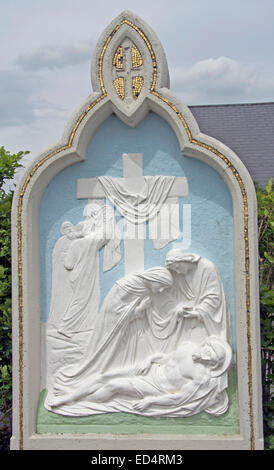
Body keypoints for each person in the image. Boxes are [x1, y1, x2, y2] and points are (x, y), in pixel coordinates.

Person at [45, 267, 174, 410]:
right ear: (155, 279)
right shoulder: (126, 286)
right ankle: (71, 397)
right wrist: (139, 310)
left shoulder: (144, 289)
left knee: (108, 380)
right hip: (116, 334)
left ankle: (73, 398)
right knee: (104, 374)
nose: (162, 290)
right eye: (162, 286)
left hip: (133, 347)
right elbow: (114, 314)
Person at [48, 336, 232, 418]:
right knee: (104, 376)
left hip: (158, 386)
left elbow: (178, 398)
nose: (205, 354)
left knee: (113, 386)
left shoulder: (201, 377)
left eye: (210, 357)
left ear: (212, 363)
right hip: (152, 370)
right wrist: (149, 360)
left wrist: (151, 401)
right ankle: (70, 397)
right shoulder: (188, 347)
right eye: (207, 349)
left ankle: (85, 401)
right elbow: (166, 358)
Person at [57, 206, 111, 337]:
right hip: (85, 276)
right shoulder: (90, 242)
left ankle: (84, 326)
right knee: (82, 301)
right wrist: (106, 217)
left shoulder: (74, 244)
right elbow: (106, 236)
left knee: (85, 300)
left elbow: (68, 265)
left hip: (76, 276)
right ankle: (65, 327)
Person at [164, 249, 231, 344]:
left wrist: (197, 312)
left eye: (178, 267)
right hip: (186, 323)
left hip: (203, 322)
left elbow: (214, 297)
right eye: (175, 270)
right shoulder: (179, 275)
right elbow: (175, 296)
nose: (177, 272)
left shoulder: (207, 268)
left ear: (184, 260)